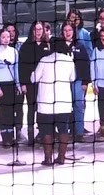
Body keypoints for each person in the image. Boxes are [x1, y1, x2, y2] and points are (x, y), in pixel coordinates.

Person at [31, 37, 76, 166]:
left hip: (46, 103)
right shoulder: (69, 60)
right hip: (63, 103)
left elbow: (34, 78)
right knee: (63, 130)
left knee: (46, 130)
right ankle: (61, 157)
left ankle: (48, 158)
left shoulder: (44, 60)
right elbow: (72, 78)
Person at [18, 21, 52, 145]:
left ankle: (42, 134)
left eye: (40, 29)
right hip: (30, 84)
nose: (38, 32)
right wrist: (23, 83)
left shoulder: (47, 45)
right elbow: (22, 66)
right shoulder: (26, 46)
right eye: (36, 29)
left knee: (43, 109)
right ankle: (31, 136)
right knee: (32, 109)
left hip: (44, 84)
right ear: (32, 30)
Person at [0, 29, 21, 148]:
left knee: (12, 112)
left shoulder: (14, 51)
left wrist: (18, 85)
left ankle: (12, 136)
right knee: (3, 112)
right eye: (3, 37)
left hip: (11, 85)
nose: (6, 39)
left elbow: (16, 69)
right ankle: (5, 137)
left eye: (8, 37)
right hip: (0, 86)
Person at [63, 22, 91, 140]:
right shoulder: (59, 46)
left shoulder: (80, 45)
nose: (68, 33)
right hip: (63, 81)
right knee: (65, 107)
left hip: (78, 80)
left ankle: (79, 132)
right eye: (65, 30)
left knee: (79, 105)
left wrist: (85, 81)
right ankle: (66, 133)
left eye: (70, 30)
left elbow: (86, 64)